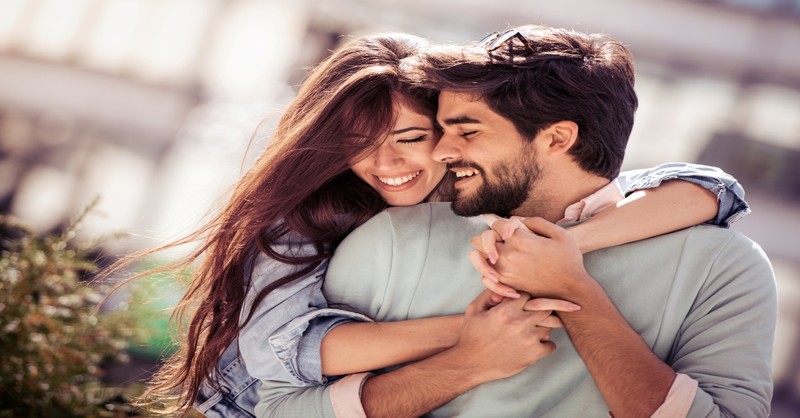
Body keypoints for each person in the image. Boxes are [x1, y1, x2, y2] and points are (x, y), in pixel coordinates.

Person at [122, 32, 748, 416]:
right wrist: (478, 335)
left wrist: (564, 245)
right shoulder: (305, 215)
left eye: (415, 138)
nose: (385, 164)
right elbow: (291, 349)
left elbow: (709, 190)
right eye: (357, 145)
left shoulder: (472, 188)